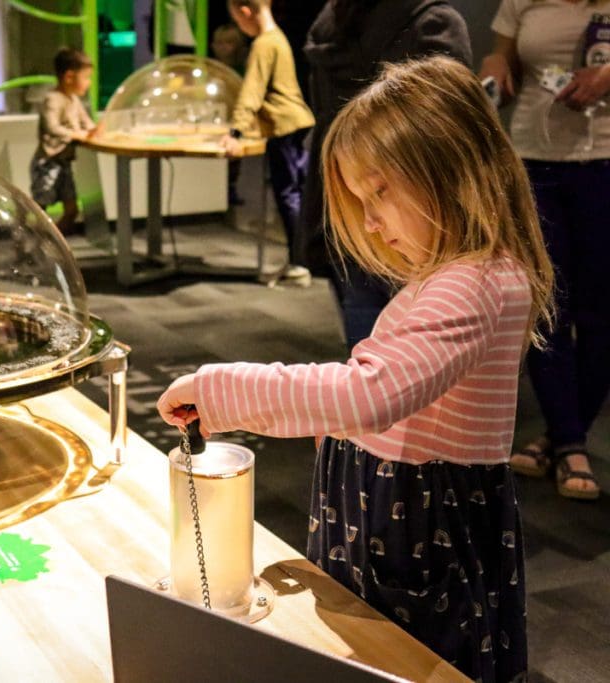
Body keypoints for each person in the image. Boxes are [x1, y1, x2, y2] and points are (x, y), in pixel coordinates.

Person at [158, 56, 554, 683]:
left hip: (420, 532)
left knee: (412, 663)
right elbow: (374, 396)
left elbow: (371, 395)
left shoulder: (473, 284)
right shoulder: (455, 278)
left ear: (451, 168)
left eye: (380, 192)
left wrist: (221, 390)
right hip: (388, 517)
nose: (369, 222)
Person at [480, 0, 610, 500]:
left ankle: (558, 438)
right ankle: (571, 444)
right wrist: (496, 66)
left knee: (600, 313)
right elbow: (504, 59)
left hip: (604, 162)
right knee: (545, 305)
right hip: (535, 160)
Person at [301, 0, 471, 349]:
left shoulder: (331, 23)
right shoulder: (432, 22)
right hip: (413, 206)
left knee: (366, 336)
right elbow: (453, 127)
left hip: (343, 191)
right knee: (425, 341)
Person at [223, 0, 316, 286]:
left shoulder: (264, 44)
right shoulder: (278, 38)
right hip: (294, 123)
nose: (239, 26)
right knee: (295, 192)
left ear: (245, 12)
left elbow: (252, 90)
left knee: (289, 194)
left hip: (285, 126)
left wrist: (235, 132)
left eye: (237, 19)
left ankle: (301, 264)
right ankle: (301, 259)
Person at [30, 48, 98, 236]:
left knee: (72, 210)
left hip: (64, 163)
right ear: (69, 76)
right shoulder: (53, 99)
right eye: (86, 77)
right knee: (39, 209)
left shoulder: (74, 99)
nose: (88, 83)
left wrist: (96, 131)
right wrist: (77, 135)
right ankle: (28, 244)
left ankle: (50, 243)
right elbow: (52, 126)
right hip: (48, 163)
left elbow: (87, 123)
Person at [211, 22, 250, 206]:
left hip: (236, 119)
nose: (223, 48)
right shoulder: (213, 71)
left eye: (228, 43)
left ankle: (231, 188)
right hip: (219, 117)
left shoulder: (244, 70)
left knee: (235, 159)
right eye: (219, 43)